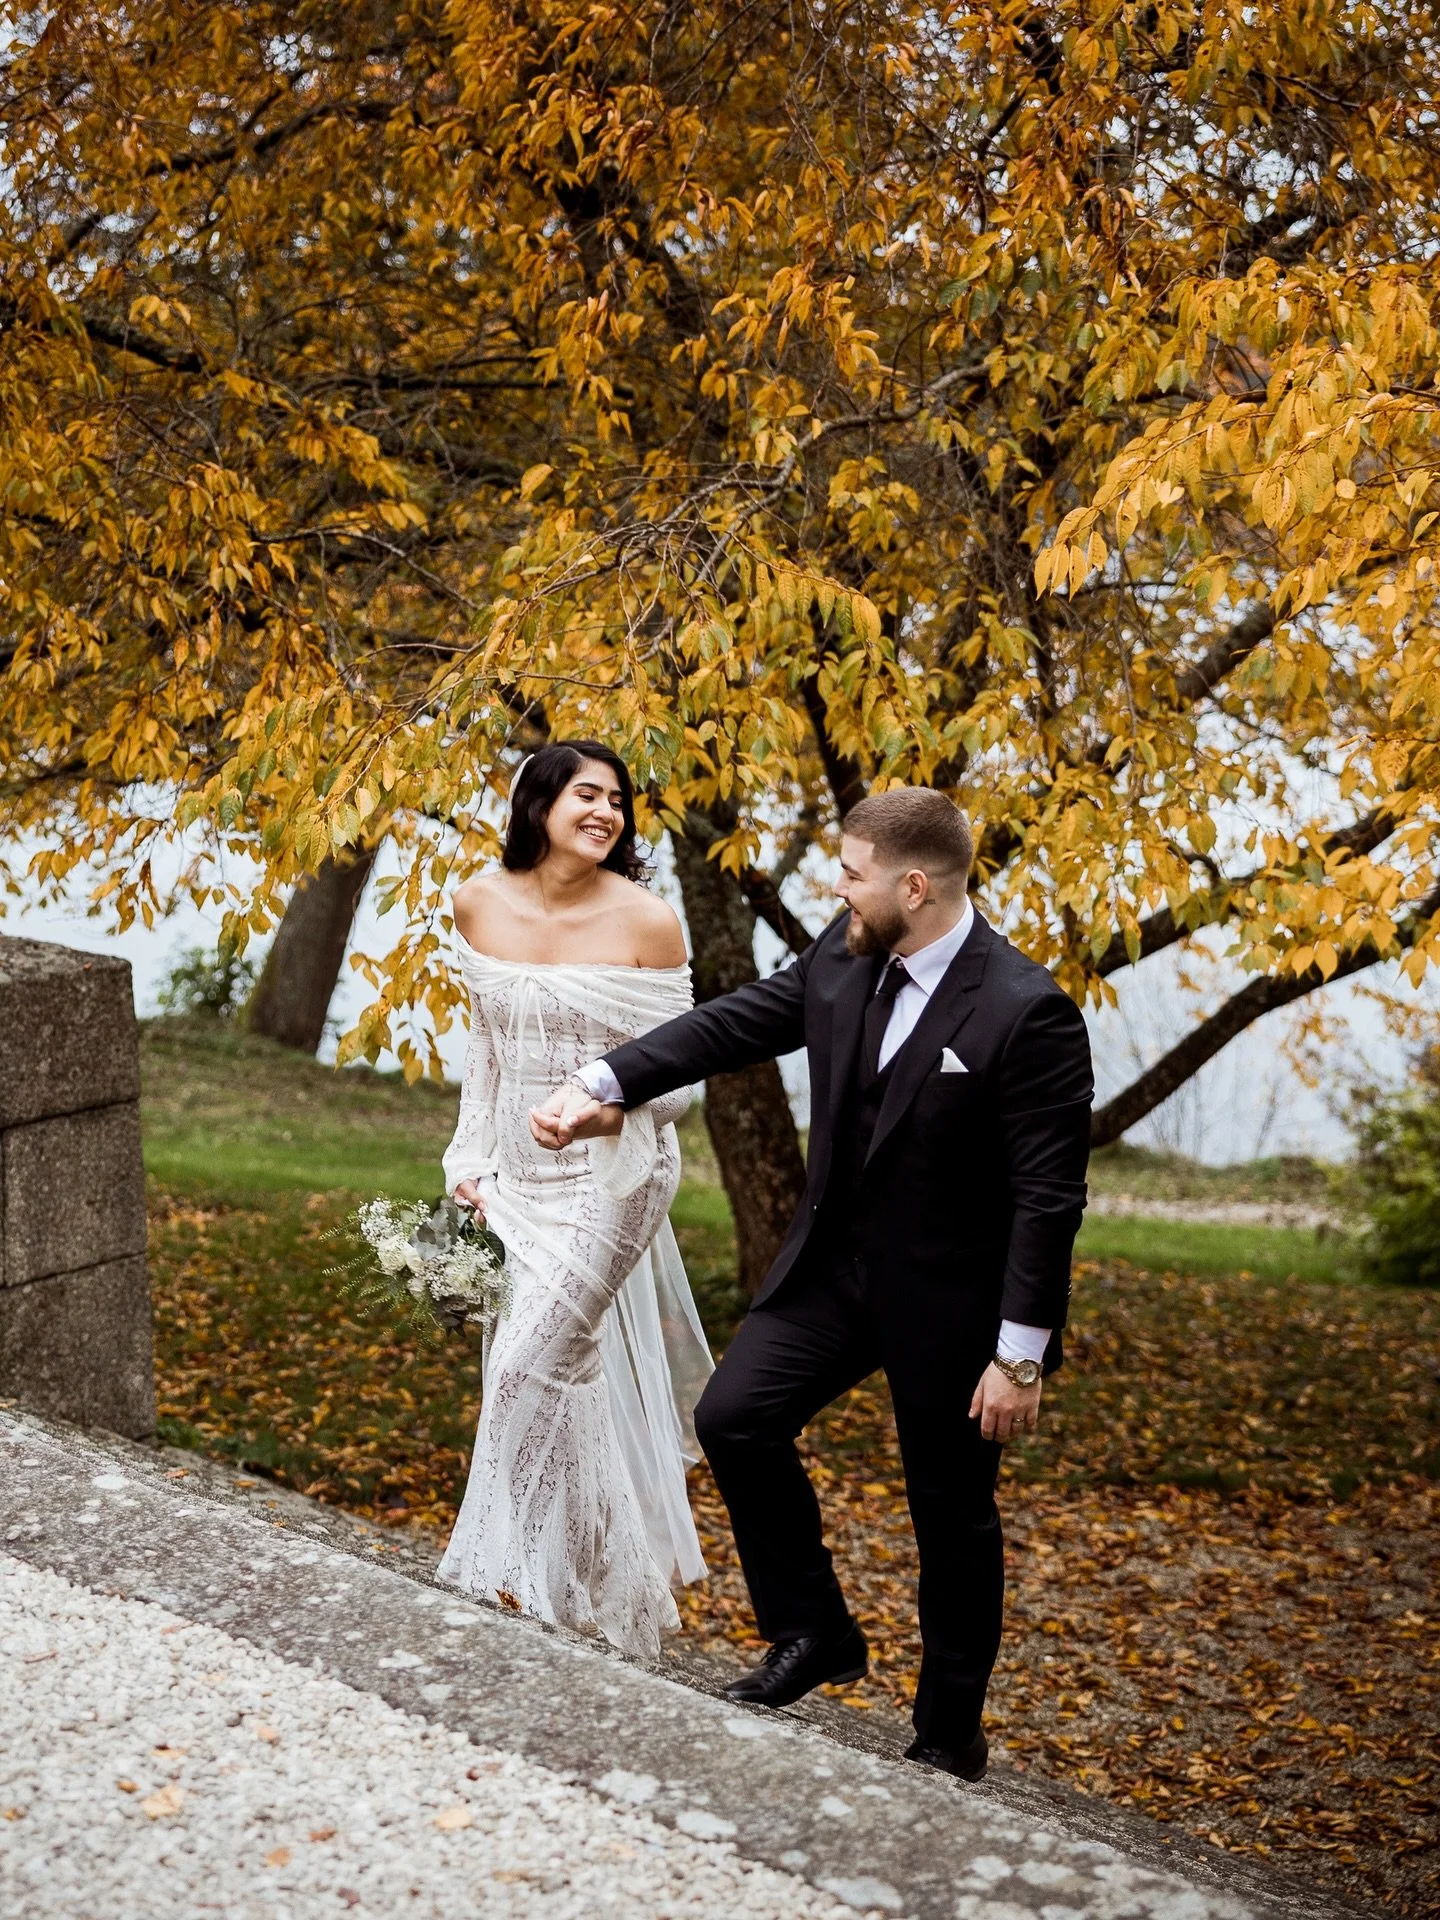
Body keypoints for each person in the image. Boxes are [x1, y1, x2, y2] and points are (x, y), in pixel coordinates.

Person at [531, 788, 1092, 1778]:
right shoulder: (845, 957)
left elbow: (1050, 1199)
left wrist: (1020, 1356)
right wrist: (604, 1082)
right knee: (736, 1419)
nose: (835, 887)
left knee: (950, 1515)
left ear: (912, 886)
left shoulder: (1026, 1010)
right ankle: (815, 1630)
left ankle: (947, 1733)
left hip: (956, 1305)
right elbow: (733, 1025)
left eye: (851, 871)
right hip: (832, 1277)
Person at [437, 740, 713, 1659]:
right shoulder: (476, 899)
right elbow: (487, 1049)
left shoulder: (649, 921)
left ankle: (490, 1577)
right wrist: (468, 1158)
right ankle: (610, 1601)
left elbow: (680, 1086)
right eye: (585, 795)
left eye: (617, 800)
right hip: (516, 1181)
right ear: (538, 803)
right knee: (564, 1384)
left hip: (616, 1178)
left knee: (522, 1369)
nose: (605, 812)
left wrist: (600, 1116)